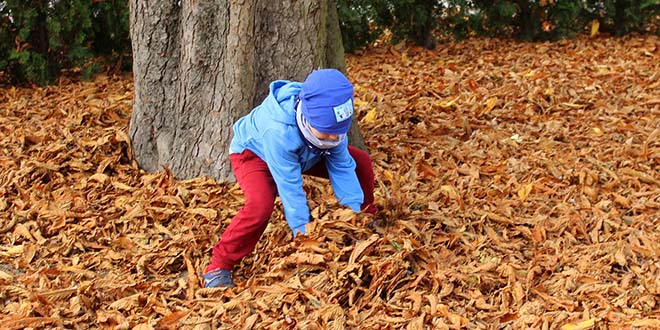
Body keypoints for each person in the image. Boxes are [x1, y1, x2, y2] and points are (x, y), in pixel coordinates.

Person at [202, 69, 378, 288]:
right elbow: (290, 188)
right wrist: (305, 238)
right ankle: (219, 266)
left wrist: (353, 218)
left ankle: (368, 218)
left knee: (359, 161)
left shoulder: (332, 120)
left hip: (307, 151)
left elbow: (342, 166)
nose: (334, 137)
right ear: (309, 117)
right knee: (261, 204)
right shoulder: (277, 130)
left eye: (338, 132)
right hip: (255, 154)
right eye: (328, 132)